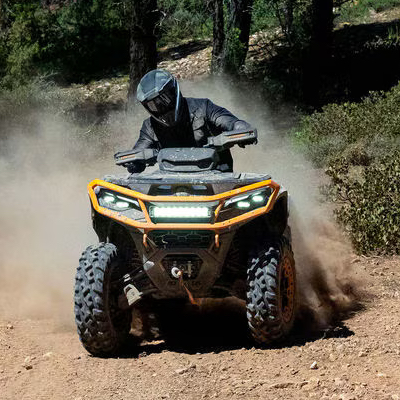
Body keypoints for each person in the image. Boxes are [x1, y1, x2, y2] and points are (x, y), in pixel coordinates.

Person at [128, 69, 253, 173]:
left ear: (174, 91)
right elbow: (139, 151)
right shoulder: (150, 126)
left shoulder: (204, 107)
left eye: (164, 99)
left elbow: (229, 121)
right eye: (153, 105)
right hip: (171, 186)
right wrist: (134, 162)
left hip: (218, 178)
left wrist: (240, 128)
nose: (161, 107)